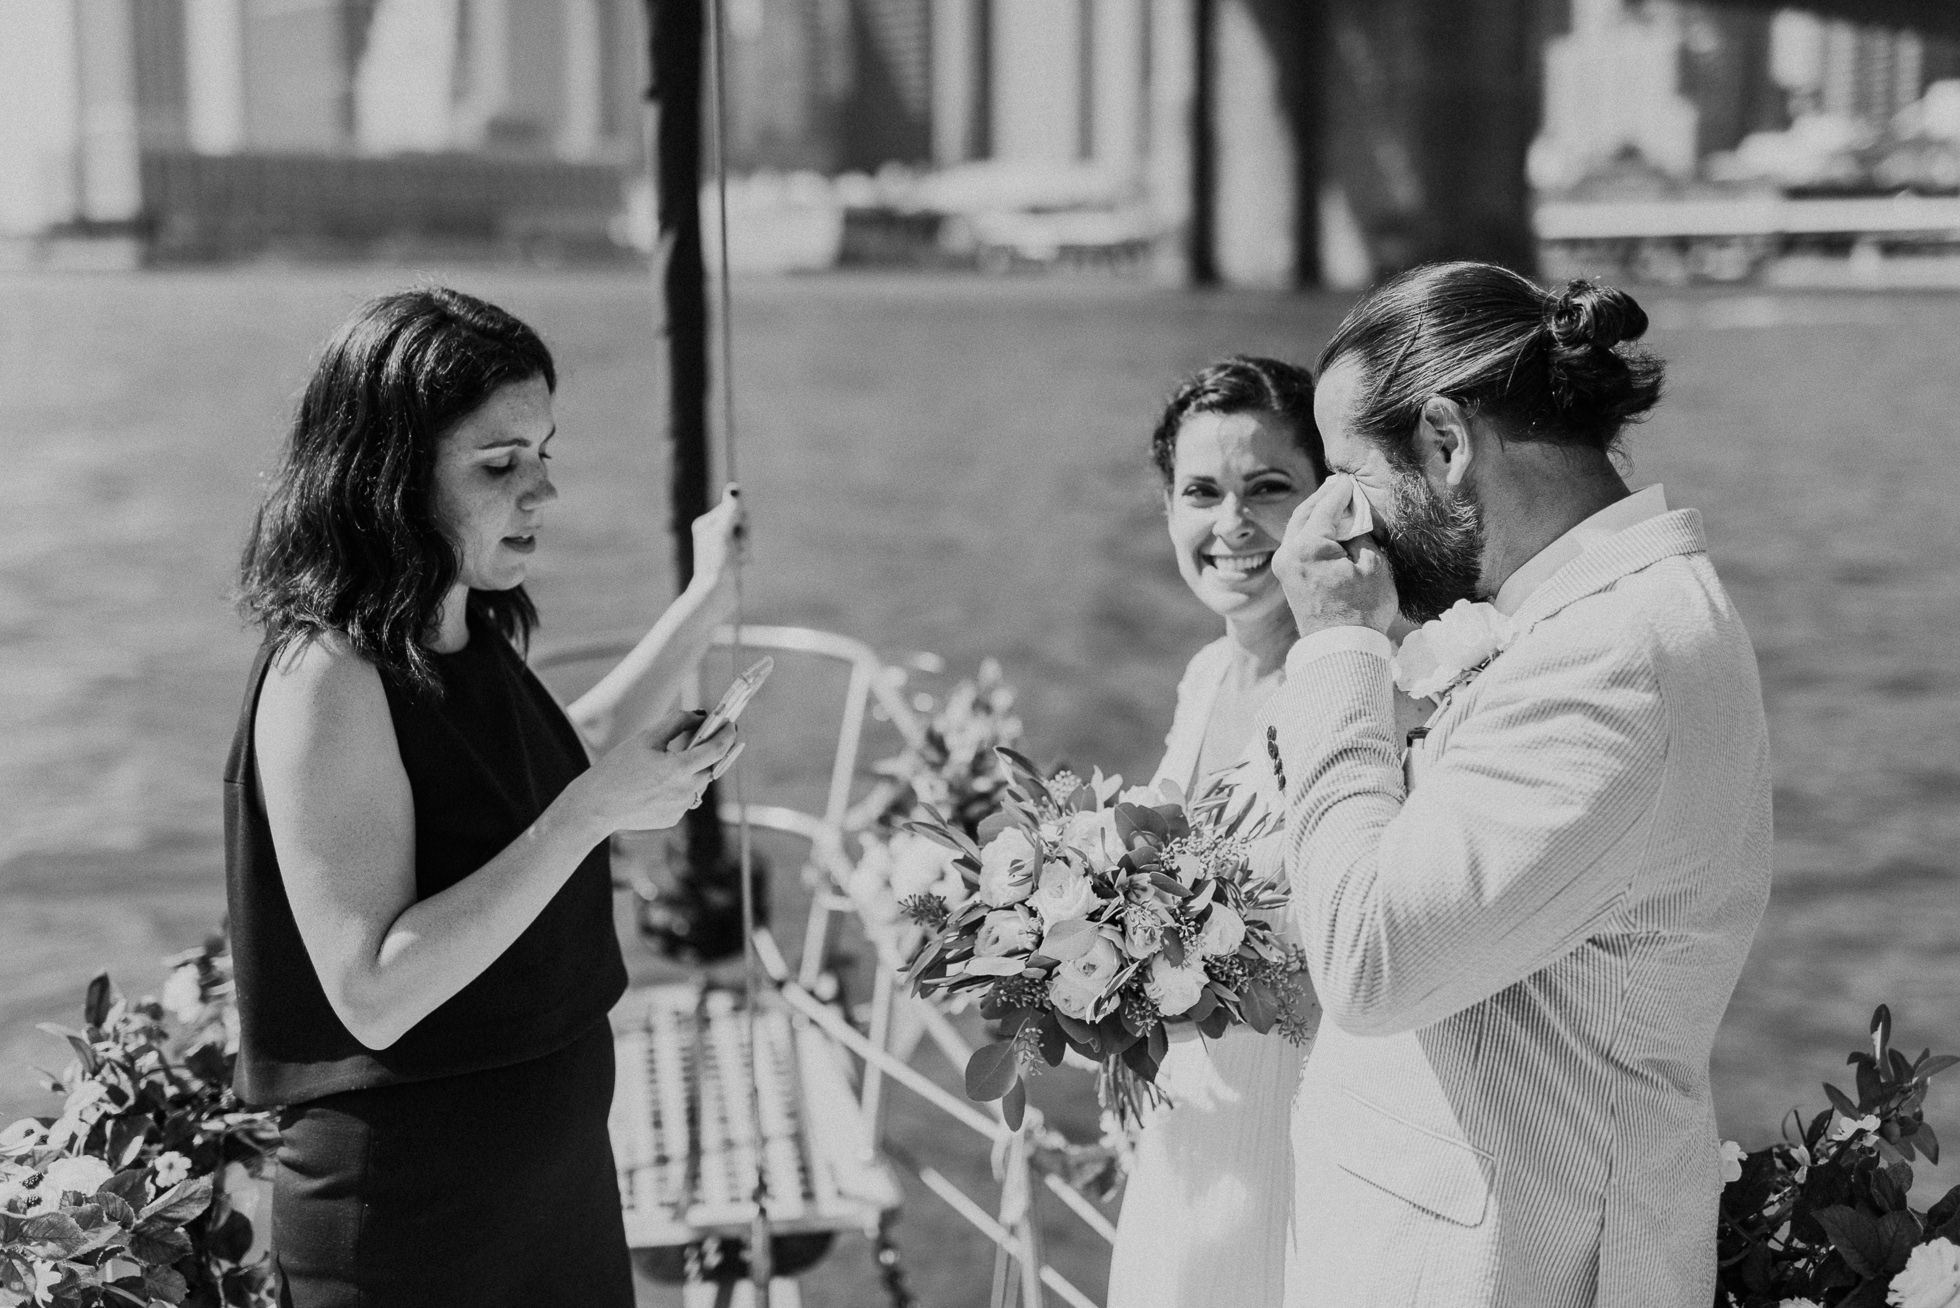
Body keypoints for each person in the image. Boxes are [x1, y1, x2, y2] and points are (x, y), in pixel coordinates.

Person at [224, 286, 743, 1308]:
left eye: (544, 454)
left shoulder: (458, 622)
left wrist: (705, 604)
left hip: (553, 1193)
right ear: (387, 475)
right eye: (500, 465)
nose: (541, 494)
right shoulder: (327, 673)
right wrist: (595, 811)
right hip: (420, 1225)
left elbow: (561, 754)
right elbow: (372, 990)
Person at [1268, 262, 1772, 1307]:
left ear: (1446, 445)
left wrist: (1336, 647)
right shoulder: (1593, 616)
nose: (1332, 518)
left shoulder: (1610, 658)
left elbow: (1371, 960)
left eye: (1348, 475)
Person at [1104, 356, 1325, 1308]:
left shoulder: (1352, 688)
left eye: (1268, 488)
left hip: (1295, 1130)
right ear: (1168, 511)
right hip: (1187, 1123)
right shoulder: (1206, 676)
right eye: (1201, 492)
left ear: (1329, 504)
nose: (1231, 524)